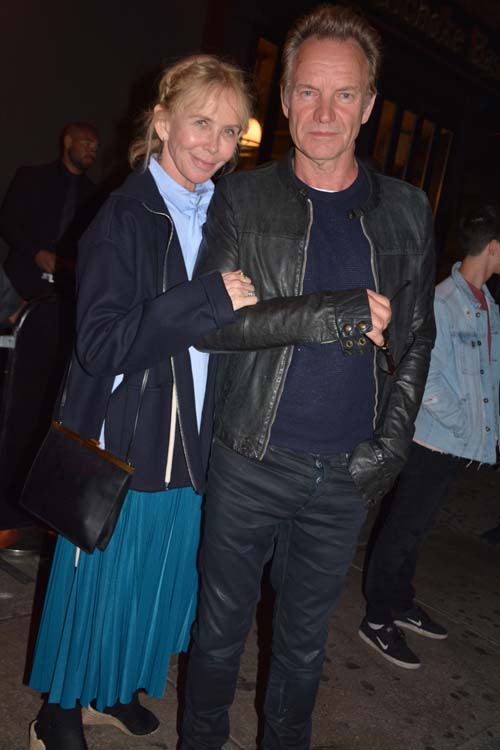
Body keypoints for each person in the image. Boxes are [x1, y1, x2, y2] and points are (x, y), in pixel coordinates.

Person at [180, 5, 436, 749]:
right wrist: (328, 314)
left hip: (345, 472)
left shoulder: (408, 213)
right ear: (285, 96)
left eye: (345, 94)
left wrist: (388, 450)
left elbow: (416, 338)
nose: (325, 112)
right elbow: (214, 324)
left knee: (301, 653)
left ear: (369, 106)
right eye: (308, 92)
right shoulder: (242, 198)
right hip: (249, 459)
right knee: (218, 639)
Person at [27, 55, 256, 750]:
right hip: (123, 435)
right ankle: (59, 710)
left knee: (156, 576)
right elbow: (100, 343)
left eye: (229, 130)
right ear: (160, 123)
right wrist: (207, 297)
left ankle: (114, 686)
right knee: (96, 577)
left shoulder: (225, 214)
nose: (213, 144)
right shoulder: (123, 216)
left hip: (192, 435)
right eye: (199, 122)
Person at [359, 203, 500, 669]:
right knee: (402, 527)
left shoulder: (486, 305)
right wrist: (462, 421)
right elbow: (426, 376)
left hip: (457, 441)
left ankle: (400, 600)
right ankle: (377, 618)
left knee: (416, 529)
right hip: (432, 439)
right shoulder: (443, 301)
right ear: (492, 247)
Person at [0, 122, 99, 302]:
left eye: (95, 147)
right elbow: (7, 222)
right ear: (68, 141)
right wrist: (36, 252)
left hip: (65, 292)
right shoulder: (32, 178)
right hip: (18, 284)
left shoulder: (95, 195)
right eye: (87, 143)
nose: (92, 151)